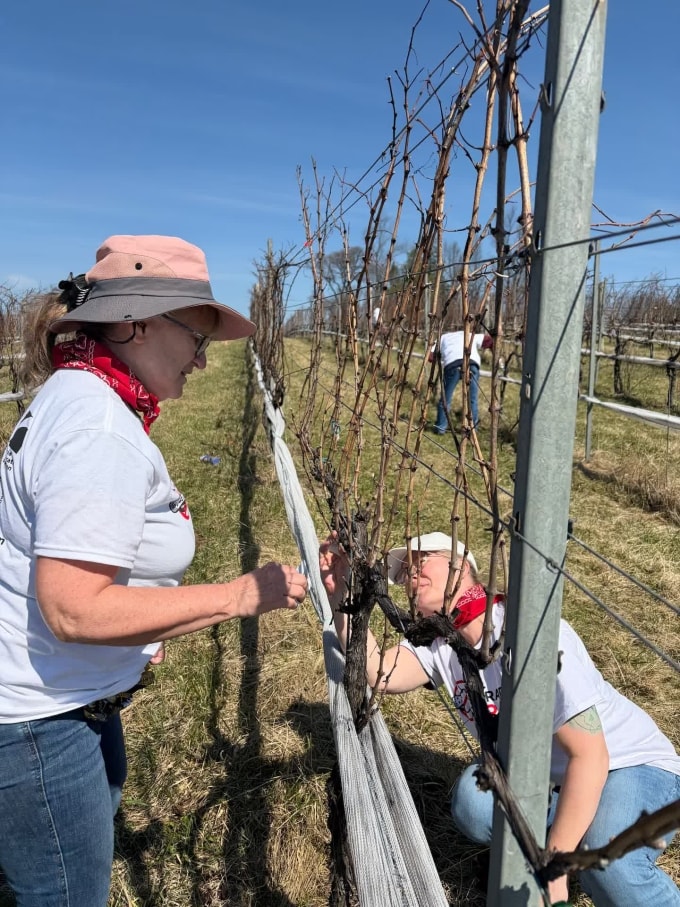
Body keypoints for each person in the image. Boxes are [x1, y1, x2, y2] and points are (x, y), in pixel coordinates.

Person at [0, 235, 308, 907]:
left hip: (66, 702)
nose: (203, 356)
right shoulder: (98, 431)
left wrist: (139, 631)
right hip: (38, 726)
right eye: (196, 331)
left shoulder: (82, 398)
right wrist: (239, 595)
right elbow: (74, 609)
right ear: (135, 321)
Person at [319, 531, 680, 907]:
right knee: (473, 806)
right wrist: (341, 596)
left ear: (462, 566)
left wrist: (554, 866)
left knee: (608, 867)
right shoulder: (442, 641)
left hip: (632, 764)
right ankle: (567, 833)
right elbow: (379, 671)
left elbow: (591, 756)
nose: (410, 572)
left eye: (421, 559)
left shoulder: (529, 634)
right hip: (552, 776)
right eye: (403, 571)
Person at [430, 329, 492, 432]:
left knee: (445, 398)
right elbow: (489, 341)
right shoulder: (469, 334)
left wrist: (441, 357)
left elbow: (431, 356)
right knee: (472, 399)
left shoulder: (443, 337)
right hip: (471, 363)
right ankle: (472, 430)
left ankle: (440, 427)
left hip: (452, 364)